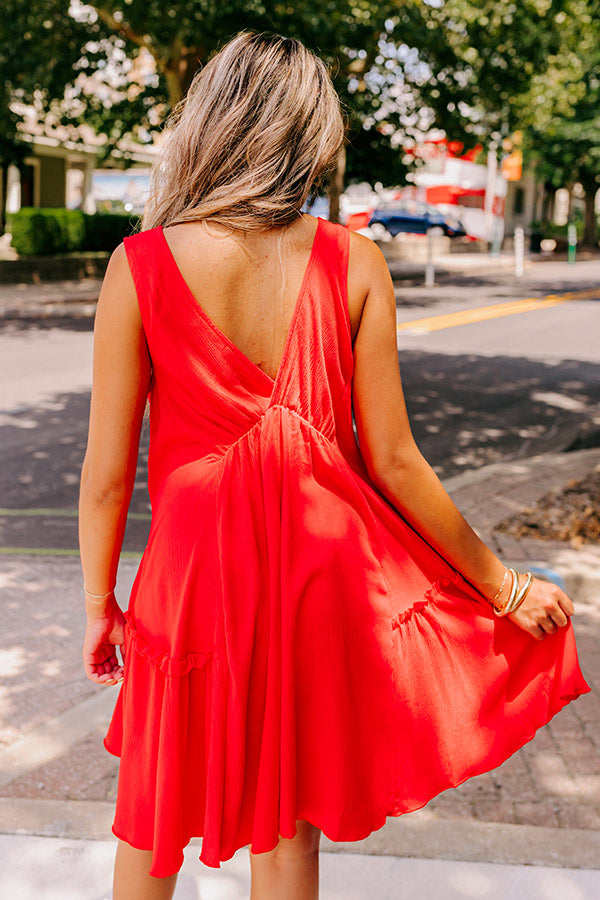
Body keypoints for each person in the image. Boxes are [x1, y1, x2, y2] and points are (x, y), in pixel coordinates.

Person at [78, 30, 589, 900]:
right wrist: (503, 587)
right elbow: (394, 458)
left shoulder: (141, 264)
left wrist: (100, 606)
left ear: (208, 123)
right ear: (308, 134)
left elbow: (104, 476)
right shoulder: (352, 260)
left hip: (192, 573)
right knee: (288, 826)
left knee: (154, 806)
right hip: (322, 574)